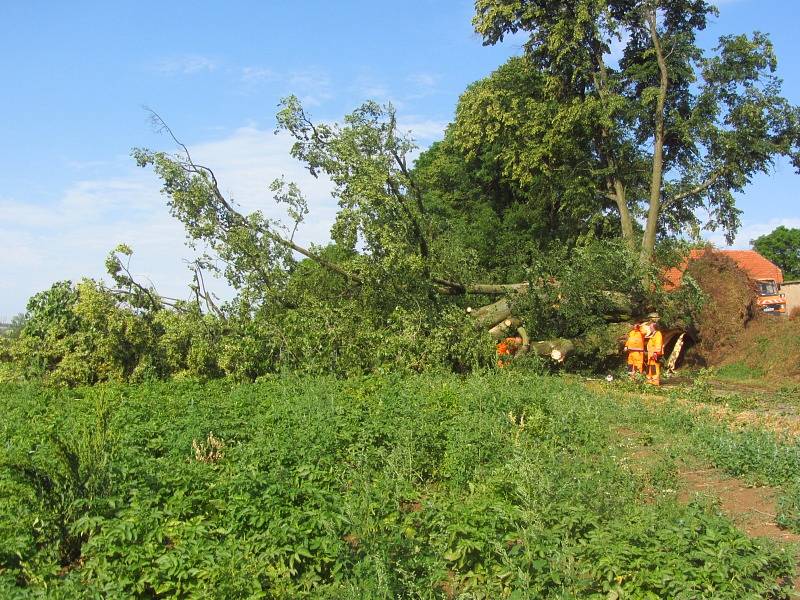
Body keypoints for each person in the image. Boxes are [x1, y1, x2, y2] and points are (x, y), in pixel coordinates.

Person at [644, 315, 663, 386]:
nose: (650, 328)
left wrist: (656, 353)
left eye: (650, 327)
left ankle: (655, 381)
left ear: (654, 328)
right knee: (650, 367)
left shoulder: (658, 334)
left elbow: (658, 344)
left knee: (654, 367)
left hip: (655, 354)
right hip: (650, 354)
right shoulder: (653, 334)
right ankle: (650, 380)